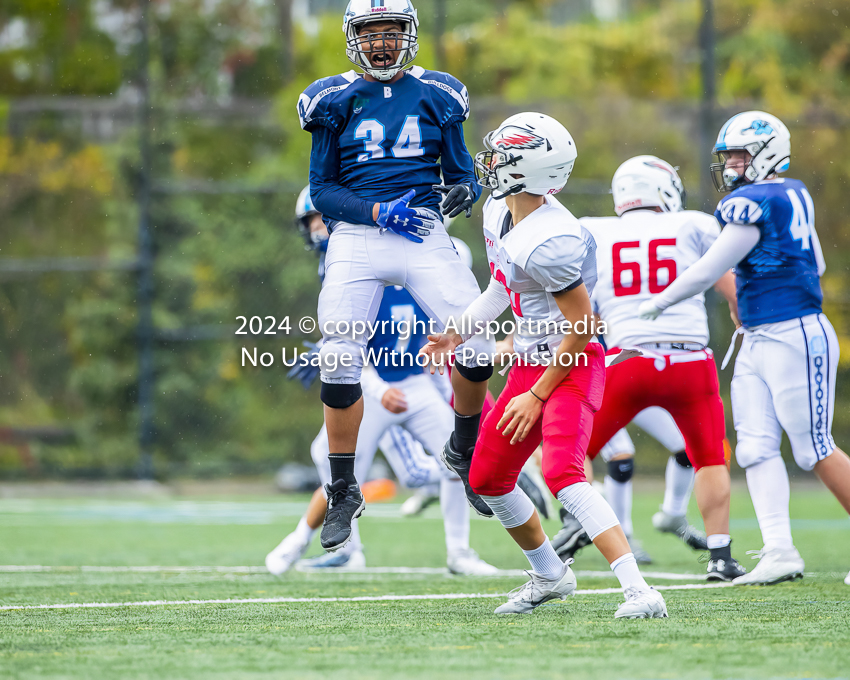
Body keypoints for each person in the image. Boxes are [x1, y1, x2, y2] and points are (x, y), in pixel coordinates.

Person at [422, 112, 668, 619]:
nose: (488, 161)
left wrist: (537, 395)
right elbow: (499, 288)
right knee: (488, 477)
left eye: (501, 155)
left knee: (563, 473)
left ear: (526, 169)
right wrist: (459, 330)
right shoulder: (499, 211)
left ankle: (640, 591)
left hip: (572, 362)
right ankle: (550, 573)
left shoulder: (551, 239)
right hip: (530, 366)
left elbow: (583, 327)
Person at [299, 0, 495, 552]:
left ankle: (462, 447)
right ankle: (342, 488)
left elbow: (460, 175)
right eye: (371, 32)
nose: (382, 42)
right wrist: (377, 212)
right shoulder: (331, 98)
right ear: (353, 37)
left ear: (407, 35)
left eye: (391, 32)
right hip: (360, 234)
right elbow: (322, 190)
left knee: (476, 338)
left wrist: (462, 192)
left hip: (423, 232)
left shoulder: (440, 92)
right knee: (339, 354)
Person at [639, 112, 850, 586]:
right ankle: (779, 550)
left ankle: (782, 547)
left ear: (768, 151)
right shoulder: (791, 192)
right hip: (759, 335)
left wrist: (657, 303)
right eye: (728, 156)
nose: (732, 165)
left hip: (793, 332)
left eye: (739, 154)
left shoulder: (753, 202)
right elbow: (814, 261)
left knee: (813, 447)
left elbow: (709, 266)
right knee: (754, 446)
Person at [266, 188, 496, 575]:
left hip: (417, 380)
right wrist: (354, 369)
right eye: (314, 221)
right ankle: (342, 547)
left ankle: (461, 552)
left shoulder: (437, 253)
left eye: (322, 218)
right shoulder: (347, 259)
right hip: (374, 383)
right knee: (327, 455)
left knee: (459, 460)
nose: (317, 229)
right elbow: (351, 335)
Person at [578, 155, 745, 582]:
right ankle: (720, 556)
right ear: (663, 190)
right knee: (709, 457)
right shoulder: (690, 223)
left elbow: (578, 308)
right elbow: (734, 290)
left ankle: (570, 532)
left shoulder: (594, 231)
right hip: (688, 359)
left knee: (573, 453)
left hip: (625, 361)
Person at [552, 407, 708, 565]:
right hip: (609, 393)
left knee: (686, 446)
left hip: (640, 390)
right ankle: (621, 535)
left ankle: (674, 515)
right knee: (620, 457)